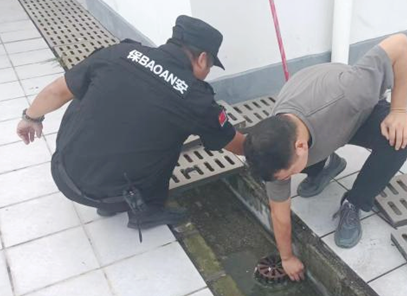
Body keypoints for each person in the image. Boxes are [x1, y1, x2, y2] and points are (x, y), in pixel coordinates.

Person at [16, 16, 244, 230]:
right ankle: (145, 212)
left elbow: (57, 91)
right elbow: (232, 142)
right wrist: (260, 146)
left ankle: (107, 201)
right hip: (116, 195)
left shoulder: (119, 53)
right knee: (170, 134)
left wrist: (30, 118)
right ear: (202, 58)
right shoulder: (196, 99)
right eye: (210, 66)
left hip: (62, 171)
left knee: (89, 91)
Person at [244, 33, 407, 281]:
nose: (286, 180)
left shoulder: (353, 90)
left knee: (402, 137)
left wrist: (399, 111)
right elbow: (279, 213)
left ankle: (354, 203)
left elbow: (399, 43)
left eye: (288, 174)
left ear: (300, 146)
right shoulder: (274, 144)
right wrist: (287, 258)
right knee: (297, 164)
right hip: (315, 125)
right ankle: (327, 166)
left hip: (354, 113)